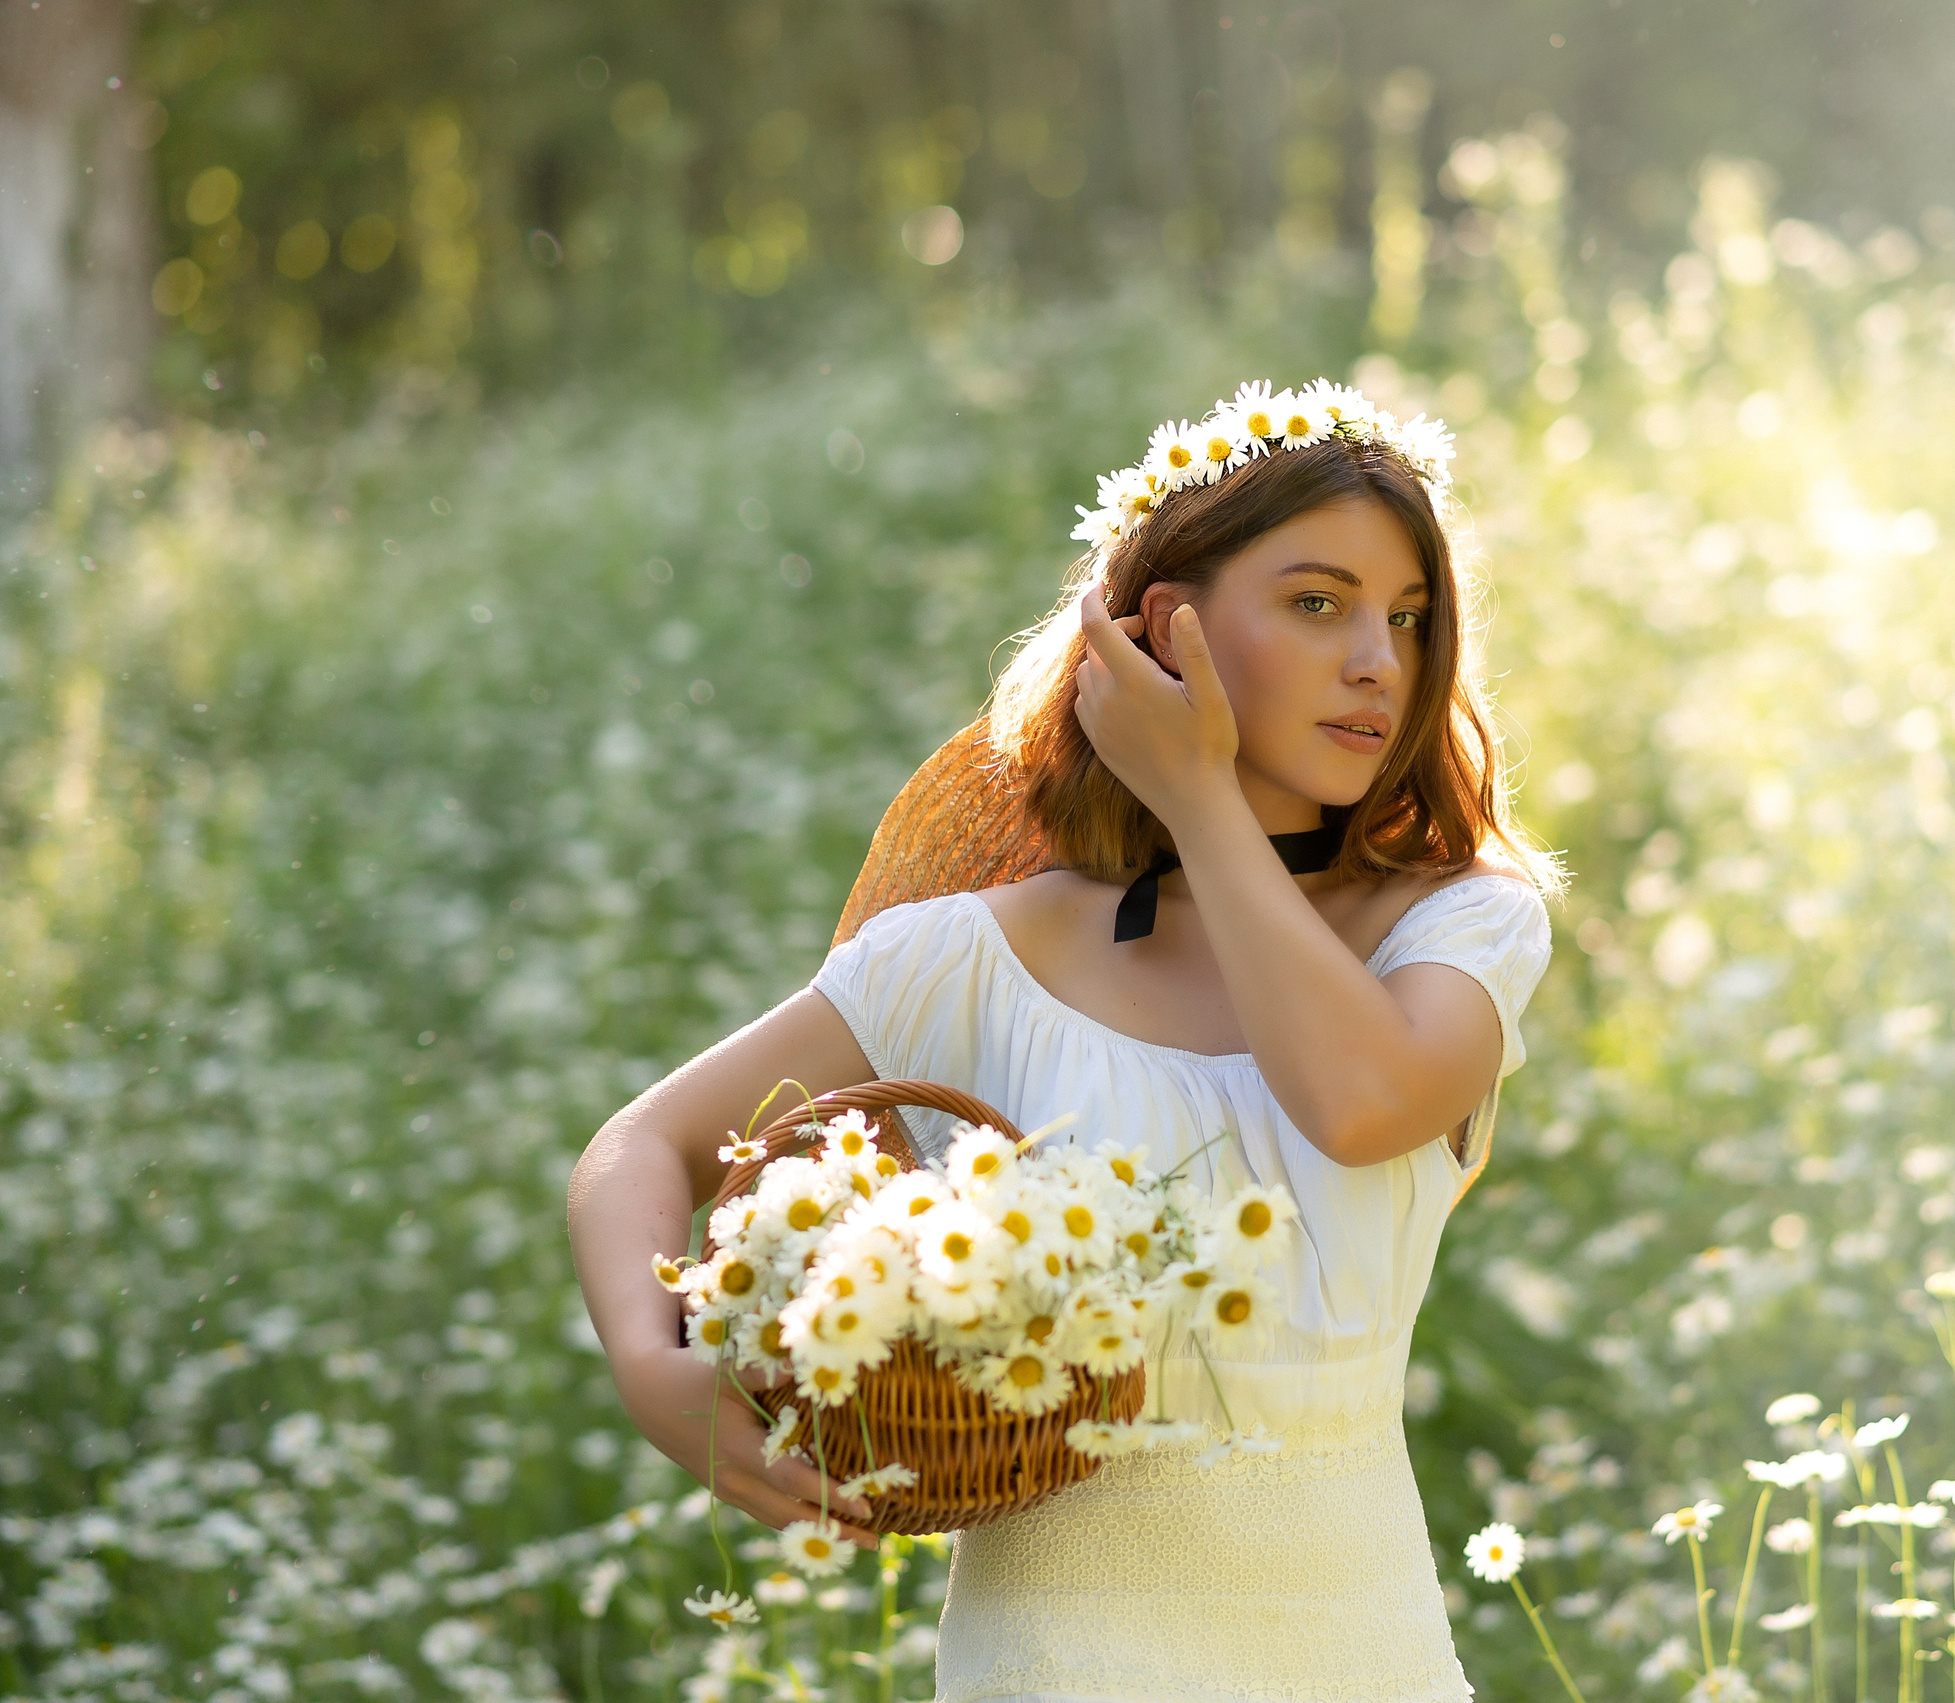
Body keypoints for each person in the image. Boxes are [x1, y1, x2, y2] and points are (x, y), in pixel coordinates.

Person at [568, 379, 1560, 1702]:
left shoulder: (1456, 925)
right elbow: (642, 1147)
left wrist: (1197, 793)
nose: (1379, 658)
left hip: (1357, 1654)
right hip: (1050, 1663)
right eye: (1319, 602)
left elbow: (1358, 1101)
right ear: (1163, 628)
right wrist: (656, 1367)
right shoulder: (982, 955)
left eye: (1408, 616)